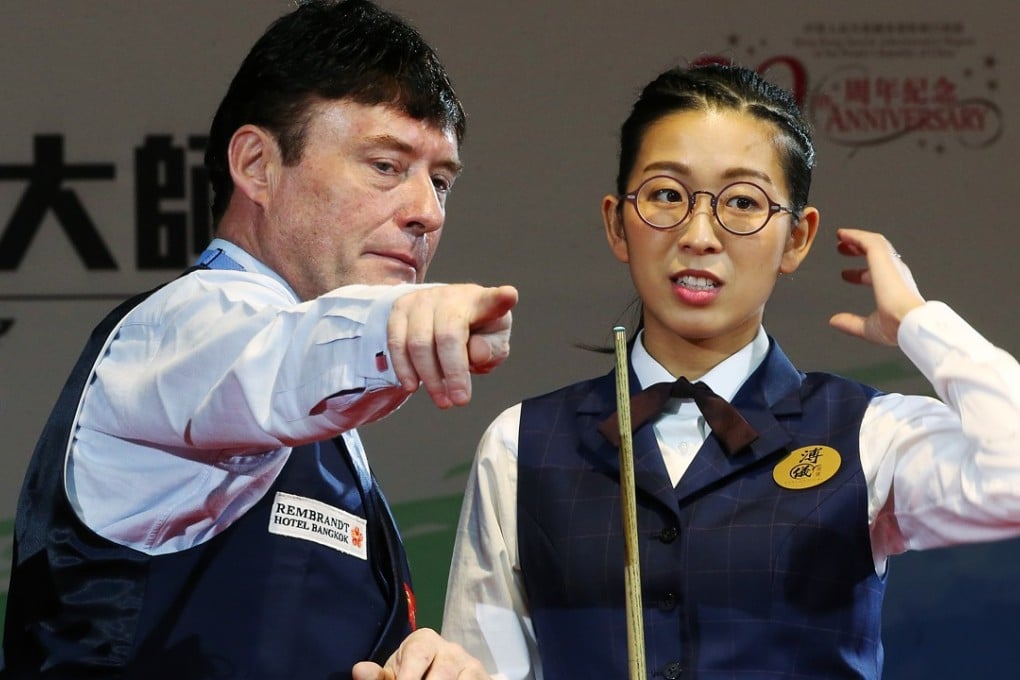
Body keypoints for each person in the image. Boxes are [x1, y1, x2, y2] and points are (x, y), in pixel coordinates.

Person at [441, 62, 1020, 679]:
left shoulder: (870, 433)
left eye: (742, 202)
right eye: (667, 194)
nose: (699, 234)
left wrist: (918, 322)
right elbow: (478, 668)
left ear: (796, 239)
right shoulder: (520, 443)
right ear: (617, 222)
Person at [1, 1, 511, 677]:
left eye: (440, 181)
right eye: (386, 166)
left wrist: (409, 659)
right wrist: (392, 325)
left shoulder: (323, 416)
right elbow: (270, 362)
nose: (425, 212)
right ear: (257, 165)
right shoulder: (183, 328)